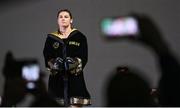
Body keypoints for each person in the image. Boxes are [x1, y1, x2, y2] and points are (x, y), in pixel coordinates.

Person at [43, 9, 91, 107]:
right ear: (57, 20)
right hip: (56, 82)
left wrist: (75, 62)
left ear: (71, 20)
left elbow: (84, 56)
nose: (63, 19)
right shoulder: (51, 39)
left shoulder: (79, 37)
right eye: (60, 17)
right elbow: (47, 55)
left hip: (75, 81)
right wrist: (53, 63)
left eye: (66, 17)